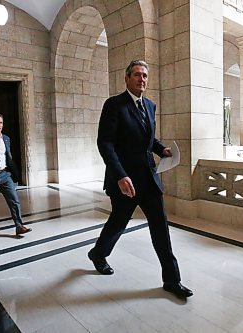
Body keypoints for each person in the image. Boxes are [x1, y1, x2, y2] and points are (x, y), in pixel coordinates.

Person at [88, 60, 193, 299]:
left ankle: (172, 280)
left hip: (149, 178)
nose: (142, 79)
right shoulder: (114, 105)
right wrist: (121, 175)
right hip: (124, 181)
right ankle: (98, 254)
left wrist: (161, 149)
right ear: (127, 78)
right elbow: (105, 143)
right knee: (117, 223)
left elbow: (147, 139)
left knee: (160, 228)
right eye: (137, 75)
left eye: (145, 75)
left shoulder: (149, 105)